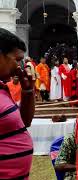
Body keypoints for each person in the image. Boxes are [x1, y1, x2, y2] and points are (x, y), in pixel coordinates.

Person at [0, 27, 35, 180]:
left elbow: (24, 122)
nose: (19, 67)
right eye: (17, 60)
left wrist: (27, 92)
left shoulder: (3, 89)